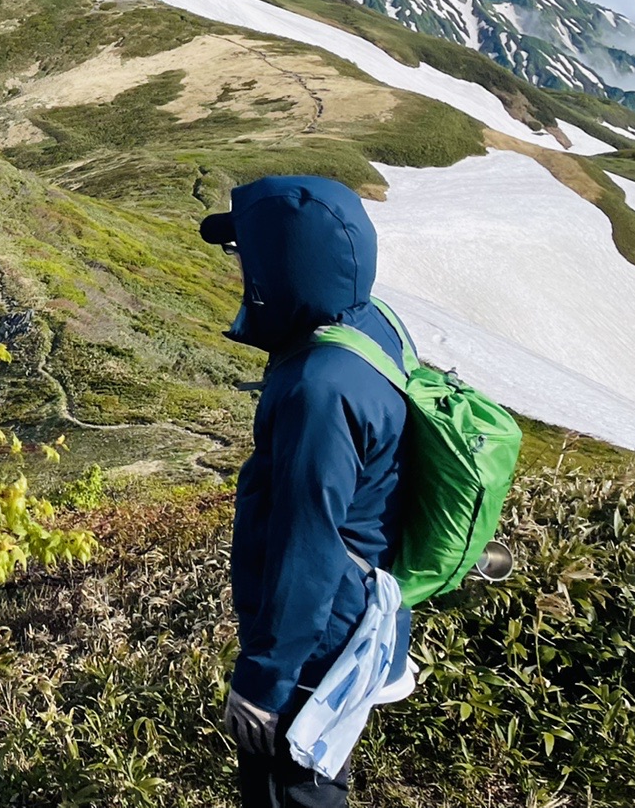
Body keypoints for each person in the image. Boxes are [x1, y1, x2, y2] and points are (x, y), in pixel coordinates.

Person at [201, 175, 413, 808]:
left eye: (247, 253)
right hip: (358, 605)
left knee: (292, 792)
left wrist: (265, 681)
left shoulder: (318, 389)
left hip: (315, 642)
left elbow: (308, 543)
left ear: (283, 267)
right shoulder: (369, 327)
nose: (240, 266)